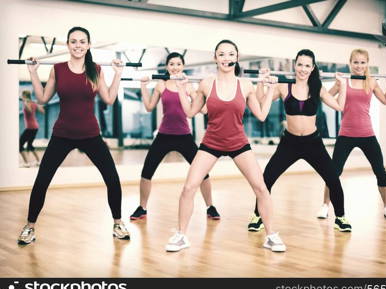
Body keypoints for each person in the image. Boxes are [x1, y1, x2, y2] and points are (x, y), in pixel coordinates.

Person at [165, 40, 285, 252]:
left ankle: (271, 235)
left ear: (236, 58)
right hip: (211, 142)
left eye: (230, 54)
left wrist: (271, 89)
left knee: (261, 188)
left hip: (238, 142)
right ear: (215, 58)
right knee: (189, 186)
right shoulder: (206, 83)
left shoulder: (245, 85)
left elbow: (262, 115)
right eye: (222, 54)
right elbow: (191, 112)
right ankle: (181, 235)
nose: (226, 58)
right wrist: (183, 89)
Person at [17, 26, 130, 245]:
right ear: (68, 45)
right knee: (42, 180)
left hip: (90, 134)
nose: (78, 45)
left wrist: (118, 74)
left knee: (112, 179)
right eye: (73, 41)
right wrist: (32, 73)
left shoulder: (95, 70)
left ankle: (117, 223)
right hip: (62, 134)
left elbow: (109, 99)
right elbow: (41, 98)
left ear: (88, 45)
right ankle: (29, 227)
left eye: (82, 41)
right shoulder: (57, 70)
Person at [248, 49, 352, 233]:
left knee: (333, 179)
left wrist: (342, 86)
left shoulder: (317, 88)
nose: (302, 69)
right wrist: (261, 83)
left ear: (312, 68)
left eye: (307, 65)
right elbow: (260, 101)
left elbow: (339, 106)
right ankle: (258, 216)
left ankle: (340, 218)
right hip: (290, 143)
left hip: (313, 143)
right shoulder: (283, 86)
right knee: (267, 178)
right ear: (294, 65)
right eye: (300, 64)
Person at [130, 52, 220, 221]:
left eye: (178, 64)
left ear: (183, 66)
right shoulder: (161, 85)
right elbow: (149, 107)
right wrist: (143, 86)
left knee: (203, 173)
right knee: (146, 172)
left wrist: (205, 91)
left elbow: (204, 109)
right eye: (172, 64)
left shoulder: (187, 86)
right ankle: (142, 208)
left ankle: (211, 207)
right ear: (167, 66)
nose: (175, 67)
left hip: (184, 136)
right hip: (164, 135)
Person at [317, 48, 386, 220]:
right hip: (346, 133)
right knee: (333, 172)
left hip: (367, 133)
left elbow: (385, 100)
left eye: (363, 62)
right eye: (356, 62)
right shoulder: (343, 82)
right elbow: (325, 97)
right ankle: (325, 205)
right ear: (350, 63)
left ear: (367, 63)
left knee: (380, 172)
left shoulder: (371, 82)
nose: (359, 66)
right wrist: (319, 81)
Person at [19, 90, 45, 167]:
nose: (22, 96)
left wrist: (25, 103)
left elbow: (32, 111)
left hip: (31, 128)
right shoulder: (32, 103)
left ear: (25, 96)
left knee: (19, 145)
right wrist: (36, 104)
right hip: (34, 127)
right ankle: (39, 161)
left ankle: (26, 163)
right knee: (30, 145)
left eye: (22, 95)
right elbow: (42, 111)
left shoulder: (29, 103)